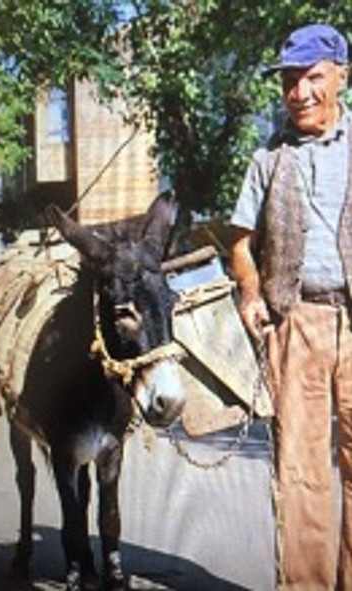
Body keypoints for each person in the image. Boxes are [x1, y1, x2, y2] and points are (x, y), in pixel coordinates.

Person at [229, 23, 351, 591]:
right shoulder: (267, 158)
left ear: (341, 78)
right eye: (289, 82)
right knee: (301, 470)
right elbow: (238, 241)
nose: (300, 92)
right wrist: (251, 292)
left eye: (312, 78)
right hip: (296, 320)